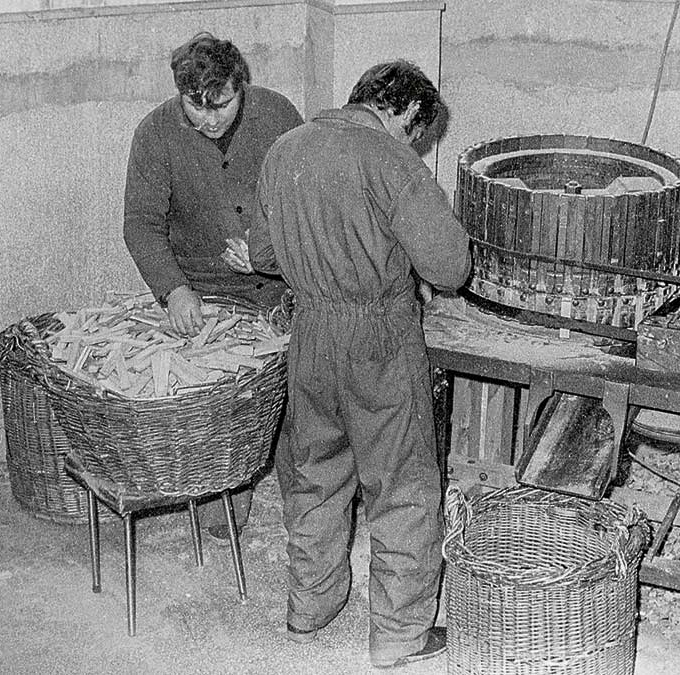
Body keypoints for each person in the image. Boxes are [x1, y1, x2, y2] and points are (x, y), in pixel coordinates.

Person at [241, 60, 471, 668]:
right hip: (380, 340)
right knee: (402, 484)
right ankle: (398, 636)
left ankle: (310, 606)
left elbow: (264, 254)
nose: (414, 145)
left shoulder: (283, 149)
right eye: (416, 134)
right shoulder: (393, 162)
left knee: (314, 472)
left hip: (310, 334)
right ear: (402, 114)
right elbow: (451, 269)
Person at [123, 32, 304, 539]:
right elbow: (140, 224)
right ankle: (228, 482)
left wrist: (270, 251)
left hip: (276, 286)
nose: (206, 118)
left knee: (299, 402)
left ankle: (306, 498)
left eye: (219, 104)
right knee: (224, 408)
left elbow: (306, 201)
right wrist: (173, 289)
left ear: (239, 85)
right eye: (193, 106)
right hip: (206, 295)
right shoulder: (155, 134)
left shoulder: (279, 117)